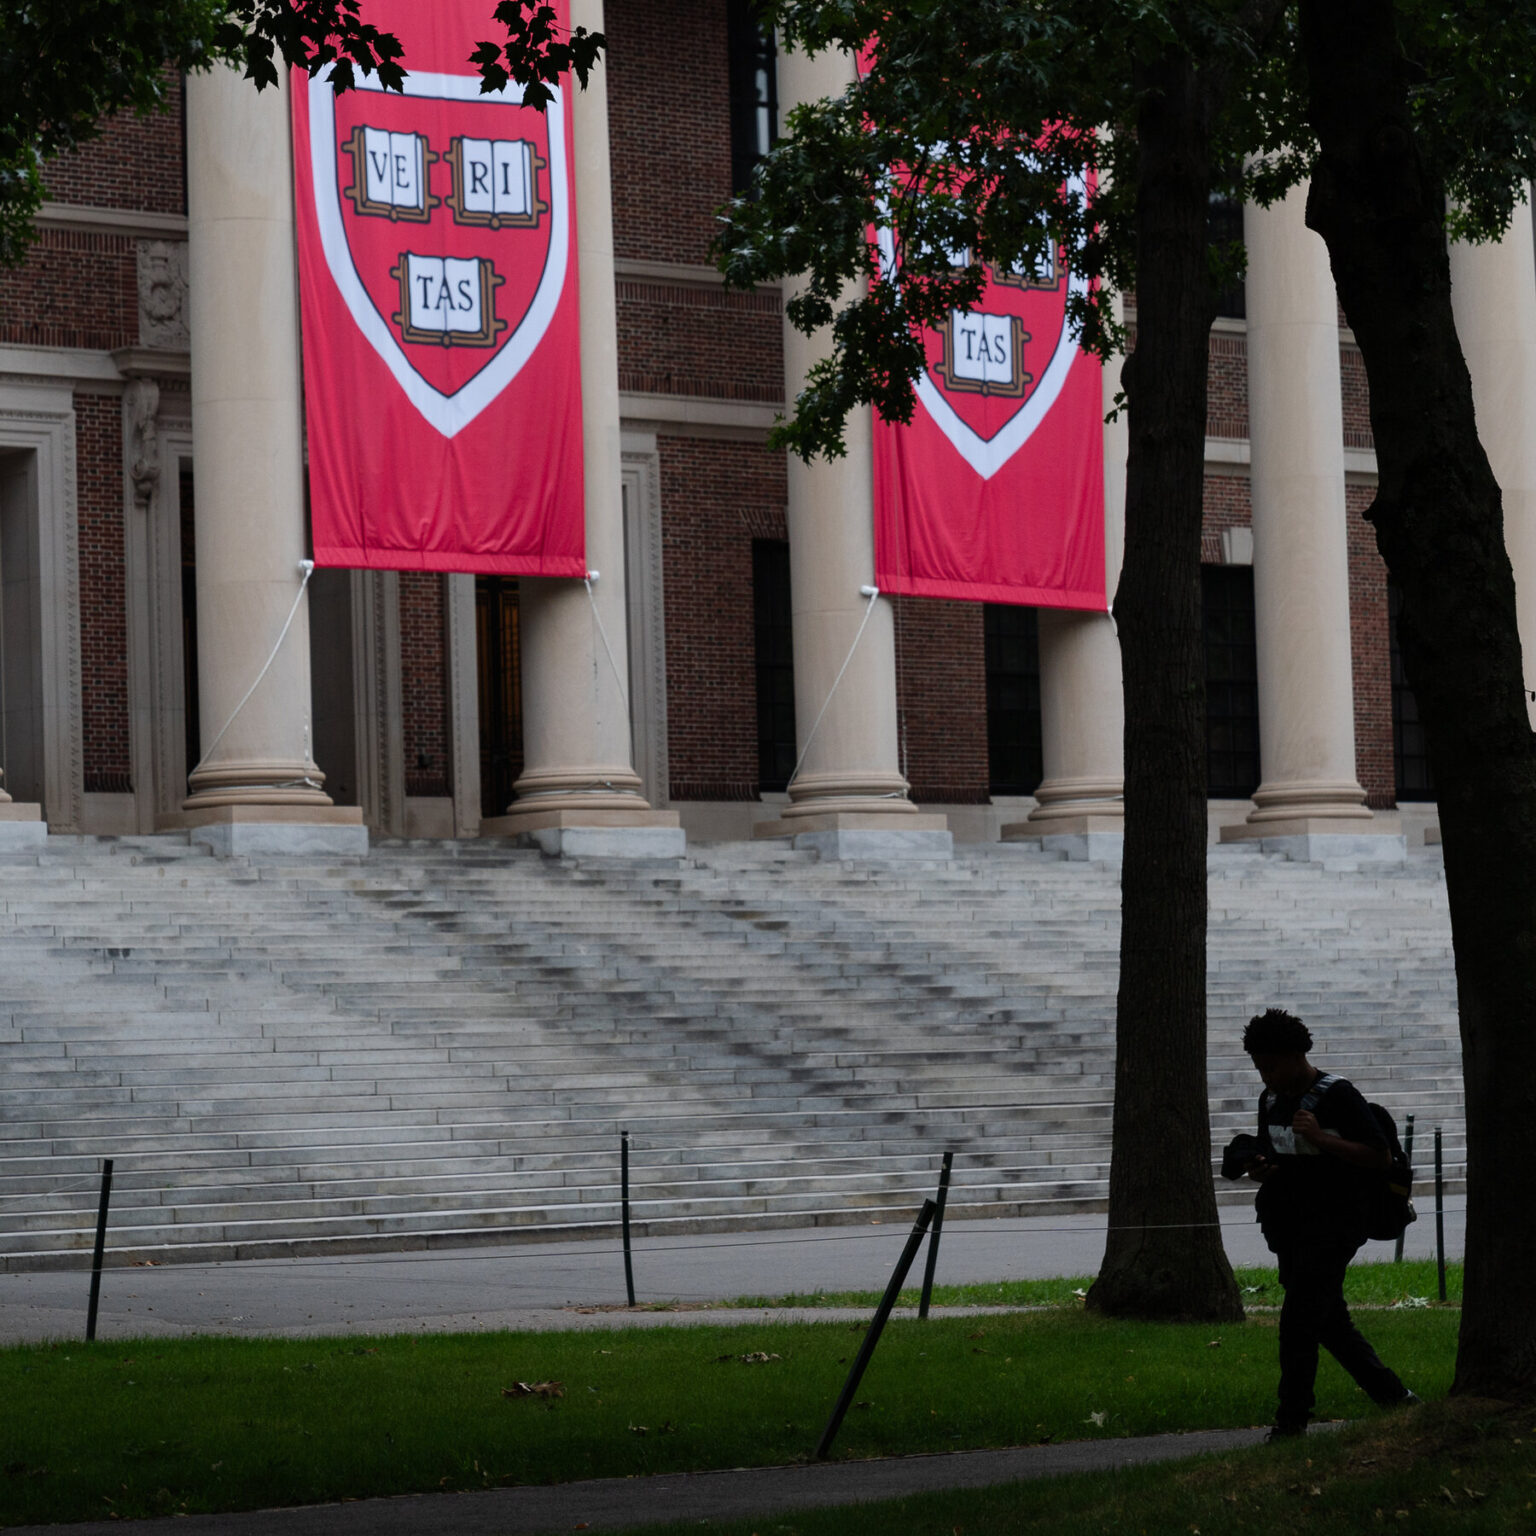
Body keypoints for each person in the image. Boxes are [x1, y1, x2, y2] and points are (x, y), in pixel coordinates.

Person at [1239, 1007, 1419, 1439]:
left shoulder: (1338, 1094)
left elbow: (1380, 1156)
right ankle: (1396, 1399)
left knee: (1299, 1320)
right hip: (1289, 1225)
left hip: (1336, 1224)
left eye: (1271, 1065)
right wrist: (1260, 1166)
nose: (1265, 1075)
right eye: (1259, 1067)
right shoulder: (1271, 1099)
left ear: (1297, 1054)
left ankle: (1291, 1423)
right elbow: (1274, 1148)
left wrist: (1321, 1138)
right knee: (1328, 1322)